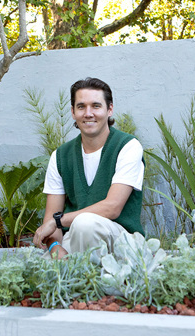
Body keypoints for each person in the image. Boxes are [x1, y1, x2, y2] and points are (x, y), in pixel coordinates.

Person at [33, 77, 145, 259]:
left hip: (121, 242)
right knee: (41, 272)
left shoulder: (128, 146)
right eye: (81, 106)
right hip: (76, 237)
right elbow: (50, 220)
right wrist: (55, 247)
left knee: (85, 224)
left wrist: (58, 222)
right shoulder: (61, 156)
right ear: (72, 112)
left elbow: (112, 207)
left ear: (109, 109)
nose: (88, 113)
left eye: (96, 106)